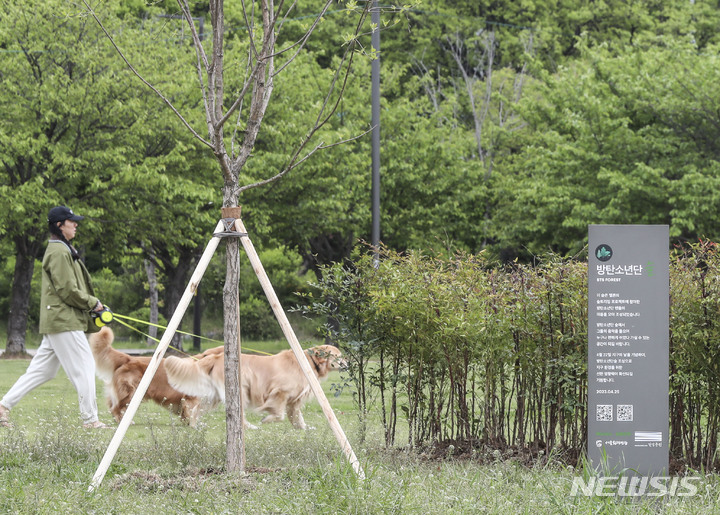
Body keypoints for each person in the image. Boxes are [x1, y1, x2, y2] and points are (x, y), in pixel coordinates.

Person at [0, 206, 110, 429]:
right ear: (60, 225)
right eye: (72, 221)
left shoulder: (63, 248)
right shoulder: (59, 252)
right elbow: (67, 290)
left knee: (43, 370)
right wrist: (93, 303)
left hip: (59, 319)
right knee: (86, 366)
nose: (76, 224)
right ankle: (90, 421)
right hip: (63, 320)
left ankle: (2, 407)